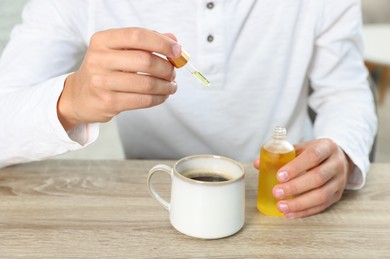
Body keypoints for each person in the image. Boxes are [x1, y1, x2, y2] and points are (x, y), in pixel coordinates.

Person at [0, 0, 377, 218]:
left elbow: (344, 91)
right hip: (151, 200)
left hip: (277, 195)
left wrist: (341, 151)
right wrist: (71, 99)